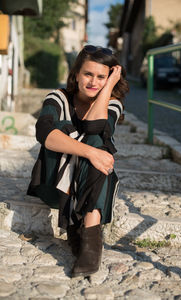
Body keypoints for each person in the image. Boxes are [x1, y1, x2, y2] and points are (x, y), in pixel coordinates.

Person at [27, 45, 129, 277]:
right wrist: (90, 153)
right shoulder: (59, 97)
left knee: (97, 135)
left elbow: (94, 126)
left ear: (109, 79)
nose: (94, 81)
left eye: (101, 77)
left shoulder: (111, 103)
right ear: (76, 74)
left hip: (88, 186)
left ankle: (90, 240)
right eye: (88, 74)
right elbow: (43, 134)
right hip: (54, 186)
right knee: (71, 133)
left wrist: (110, 86)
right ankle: (84, 234)